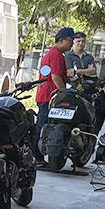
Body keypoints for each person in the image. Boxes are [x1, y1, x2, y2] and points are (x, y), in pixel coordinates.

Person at [34, 27, 74, 163]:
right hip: (48, 96)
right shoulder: (56, 55)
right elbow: (56, 76)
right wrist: (64, 93)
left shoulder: (55, 54)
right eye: (70, 40)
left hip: (47, 95)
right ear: (61, 40)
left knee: (44, 124)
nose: (71, 43)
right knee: (43, 125)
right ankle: (37, 156)